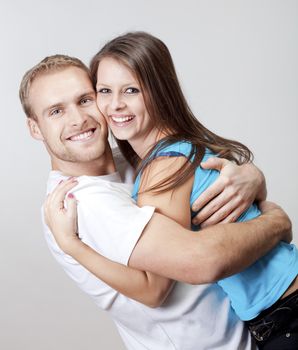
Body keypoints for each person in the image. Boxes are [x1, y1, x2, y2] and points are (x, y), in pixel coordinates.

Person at [20, 54, 291, 350]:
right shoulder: (80, 202)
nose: (77, 119)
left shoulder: (131, 161)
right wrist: (275, 221)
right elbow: (181, 273)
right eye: (56, 111)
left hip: (256, 329)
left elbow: (201, 169)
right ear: (35, 128)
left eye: (85, 100)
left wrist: (251, 177)